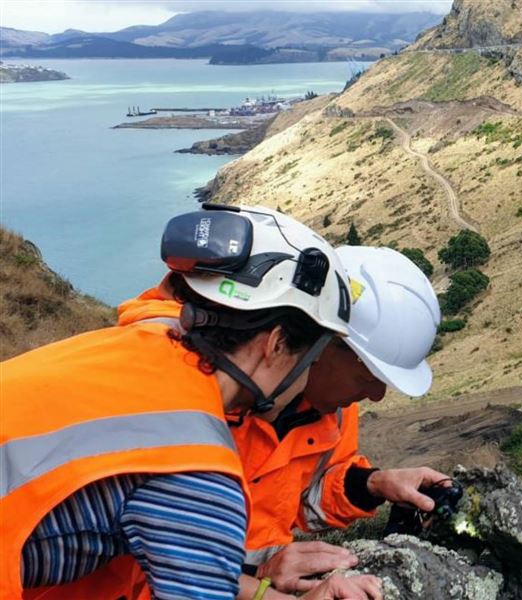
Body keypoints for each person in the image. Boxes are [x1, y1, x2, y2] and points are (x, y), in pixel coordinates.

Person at [1, 205, 364, 599]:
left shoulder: (138, 341)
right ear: (275, 346)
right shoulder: (194, 462)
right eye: (311, 361)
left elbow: (195, 564)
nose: (308, 380)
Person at [113, 245, 447, 599]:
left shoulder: (332, 409)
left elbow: (307, 494)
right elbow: (148, 553)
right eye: (369, 374)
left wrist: (374, 484)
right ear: (322, 343)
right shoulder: (192, 400)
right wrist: (257, 577)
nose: (377, 394)